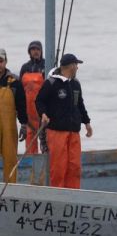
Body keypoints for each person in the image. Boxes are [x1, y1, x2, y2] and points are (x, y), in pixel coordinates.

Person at [34, 53, 92, 189]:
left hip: (74, 132)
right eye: (76, 65)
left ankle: (73, 195)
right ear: (71, 66)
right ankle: (58, 195)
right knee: (59, 167)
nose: (77, 68)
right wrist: (42, 113)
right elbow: (39, 100)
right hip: (57, 132)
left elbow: (80, 104)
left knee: (75, 167)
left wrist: (87, 122)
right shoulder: (51, 83)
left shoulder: (76, 84)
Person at [18, 41, 45, 157]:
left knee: (46, 144)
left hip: (42, 113)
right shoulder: (25, 67)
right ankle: (31, 171)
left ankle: (47, 170)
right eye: (33, 49)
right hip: (29, 114)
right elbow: (19, 91)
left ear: (41, 51)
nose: (35, 51)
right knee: (30, 145)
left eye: (38, 49)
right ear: (29, 52)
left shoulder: (46, 65)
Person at [0, 49, 23, 183]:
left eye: (0, 61)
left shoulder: (14, 81)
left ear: (6, 62)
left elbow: (21, 105)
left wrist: (24, 124)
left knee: (10, 158)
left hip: (9, 128)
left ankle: (10, 189)